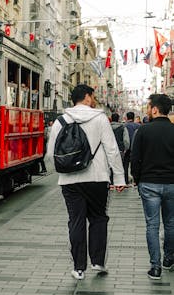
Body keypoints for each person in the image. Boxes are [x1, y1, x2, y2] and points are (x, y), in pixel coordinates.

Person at [46, 84, 126, 280]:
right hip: (97, 177)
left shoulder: (60, 121)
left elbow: (50, 153)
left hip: (69, 180)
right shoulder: (100, 119)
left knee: (76, 221)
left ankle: (79, 268)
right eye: (92, 95)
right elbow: (112, 150)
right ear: (87, 97)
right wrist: (119, 178)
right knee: (98, 218)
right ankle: (98, 261)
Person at [131, 93, 174, 280]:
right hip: (172, 183)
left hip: (149, 184)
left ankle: (155, 267)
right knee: (171, 223)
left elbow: (135, 158)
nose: (147, 110)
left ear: (155, 109)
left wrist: (137, 179)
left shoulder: (143, 130)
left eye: (149, 107)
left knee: (152, 225)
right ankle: (169, 259)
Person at [109, 112, 129, 183]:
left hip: (109, 149)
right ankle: (120, 183)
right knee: (120, 166)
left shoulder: (107, 127)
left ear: (111, 119)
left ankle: (110, 182)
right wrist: (125, 149)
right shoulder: (123, 127)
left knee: (110, 167)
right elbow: (126, 140)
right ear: (118, 119)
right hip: (120, 150)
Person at [123, 111, 140, 185]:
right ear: (133, 117)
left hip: (127, 149)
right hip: (136, 148)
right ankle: (135, 180)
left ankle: (126, 180)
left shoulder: (124, 126)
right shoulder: (138, 126)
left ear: (127, 117)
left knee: (125, 165)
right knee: (136, 164)